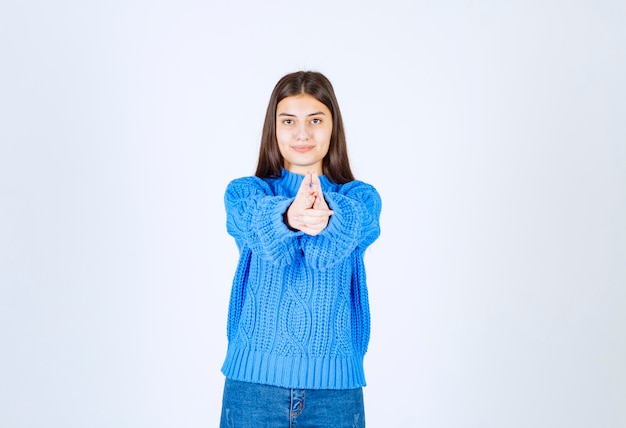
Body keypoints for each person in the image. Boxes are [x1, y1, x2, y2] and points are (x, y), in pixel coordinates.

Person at [219, 71, 382, 427]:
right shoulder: (247, 193)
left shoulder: (359, 198)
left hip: (335, 395)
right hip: (253, 389)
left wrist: (326, 217)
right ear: (273, 129)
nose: (302, 133)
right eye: (289, 120)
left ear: (332, 127)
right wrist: (289, 216)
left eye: (315, 120)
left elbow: (337, 242)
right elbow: (254, 223)